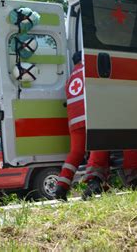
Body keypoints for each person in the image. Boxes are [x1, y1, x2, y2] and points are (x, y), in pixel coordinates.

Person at [54, 51, 86, 200]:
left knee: (75, 153)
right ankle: (94, 181)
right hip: (89, 117)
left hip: (74, 121)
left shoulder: (70, 78)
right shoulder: (88, 71)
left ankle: (61, 186)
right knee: (100, 148)